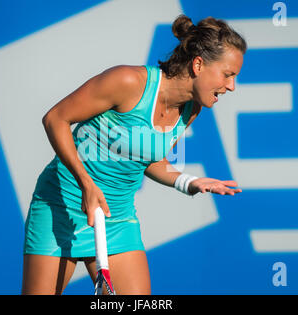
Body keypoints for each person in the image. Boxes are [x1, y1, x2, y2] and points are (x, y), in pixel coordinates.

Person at [21, 14, 247, 295]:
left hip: (117, 219)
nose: (231, 86)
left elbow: (148, 159)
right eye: (228, 74)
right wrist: (86, 184)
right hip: (60, 207)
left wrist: (187, 181)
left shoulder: (191, 109)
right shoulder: (128, 81)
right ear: (199, 64)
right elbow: (56, 119)